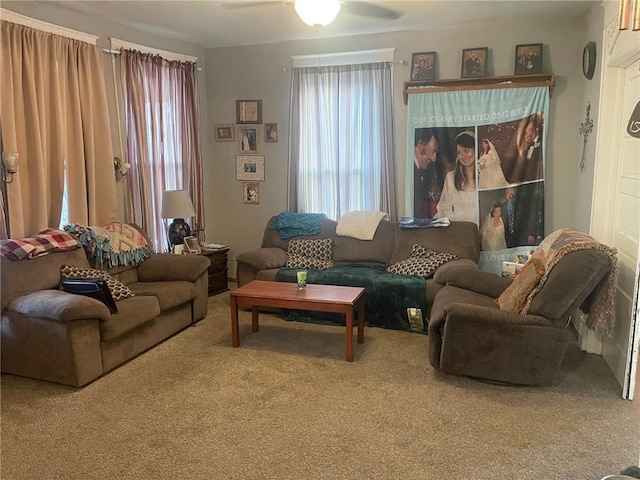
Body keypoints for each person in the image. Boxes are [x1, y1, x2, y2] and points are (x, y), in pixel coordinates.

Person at [435, 130, 478, 224]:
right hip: (458, 231)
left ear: (476, 150)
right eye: (459, 153)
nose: (463, 156)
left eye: (466, 151)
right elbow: (443, 208)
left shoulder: (485, 175)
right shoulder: (451, 178)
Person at [413, 128, 444, 218]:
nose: (434, 158)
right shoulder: (411, 176)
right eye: (433, 151)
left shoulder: (421, 173)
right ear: (421, 145)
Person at [509, 113, 543, 183]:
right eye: (525, 132)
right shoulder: (525, 150)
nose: (527, 134)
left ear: (536, 129)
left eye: (529, 130)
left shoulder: (542, 142)